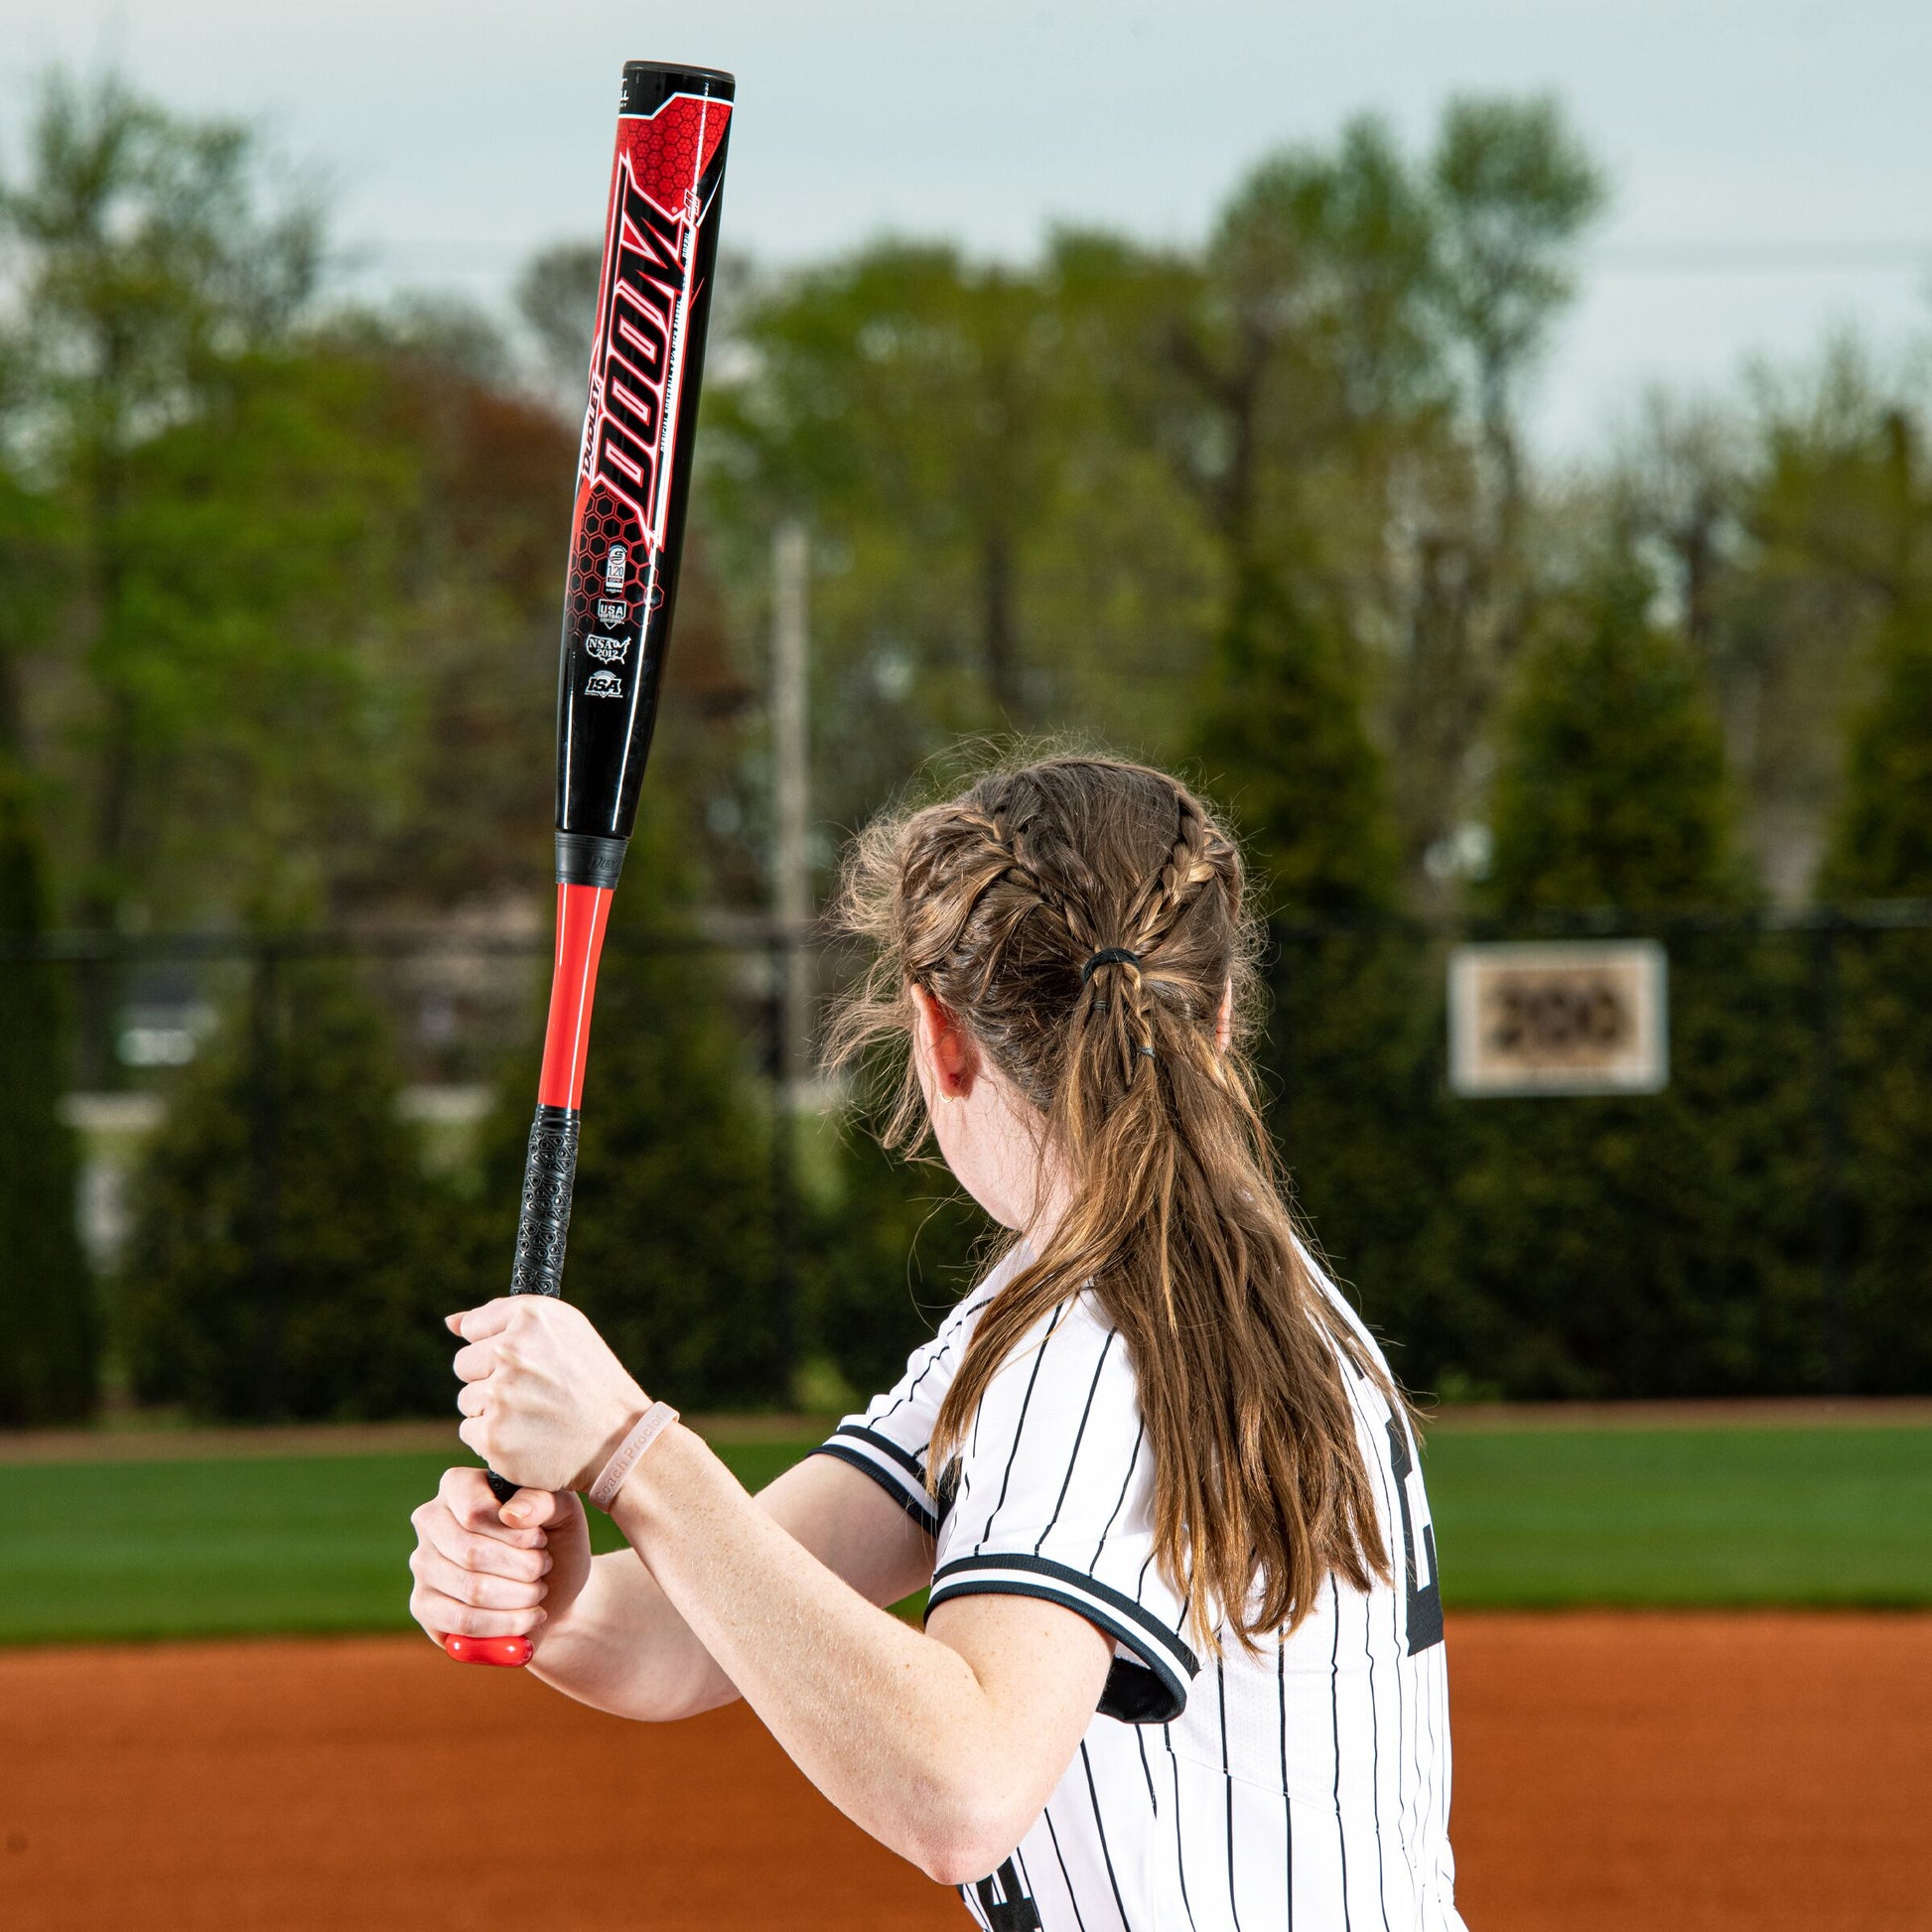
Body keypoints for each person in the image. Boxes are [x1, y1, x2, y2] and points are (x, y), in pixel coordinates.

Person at [408, 755, 1461, 1930]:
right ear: (1218, 1015)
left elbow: (960, 1790)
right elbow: (705, 1628)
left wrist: (628, 1450)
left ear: (936, 1030)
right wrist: (552, 1604)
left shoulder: (1084, 1343)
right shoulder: (1216, 1287)